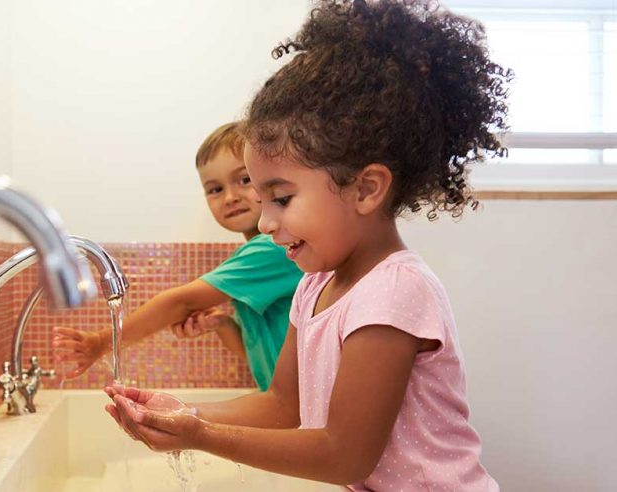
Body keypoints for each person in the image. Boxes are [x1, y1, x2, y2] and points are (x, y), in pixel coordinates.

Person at [105, 1, 511, 490]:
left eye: (280, 198)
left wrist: (202, 435)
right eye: (262, 200)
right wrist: (185, 413)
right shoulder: (314, 285)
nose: (265, 221)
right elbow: (282, 405)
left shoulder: (393, 292)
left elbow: (344, 456)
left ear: (365, 189)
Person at [52, 122, 303, 390]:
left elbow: (181, 303)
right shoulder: (262, 254)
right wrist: (223, 325)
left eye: (244, 180)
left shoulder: (272, 248)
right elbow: (259, 361)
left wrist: (101, 342)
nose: (230, 197)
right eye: (215, 189)